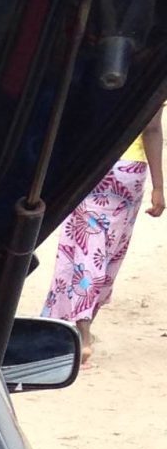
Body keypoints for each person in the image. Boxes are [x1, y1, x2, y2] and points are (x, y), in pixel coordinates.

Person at [41, 108, 166, 353]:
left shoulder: (91, 79)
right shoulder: (151, 81)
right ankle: (83, 325)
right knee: (110, 250)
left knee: (83, 245)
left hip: (93, 163)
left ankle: (82, 331)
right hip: (130, 171)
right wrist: (158, 187)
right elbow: (151, 129)